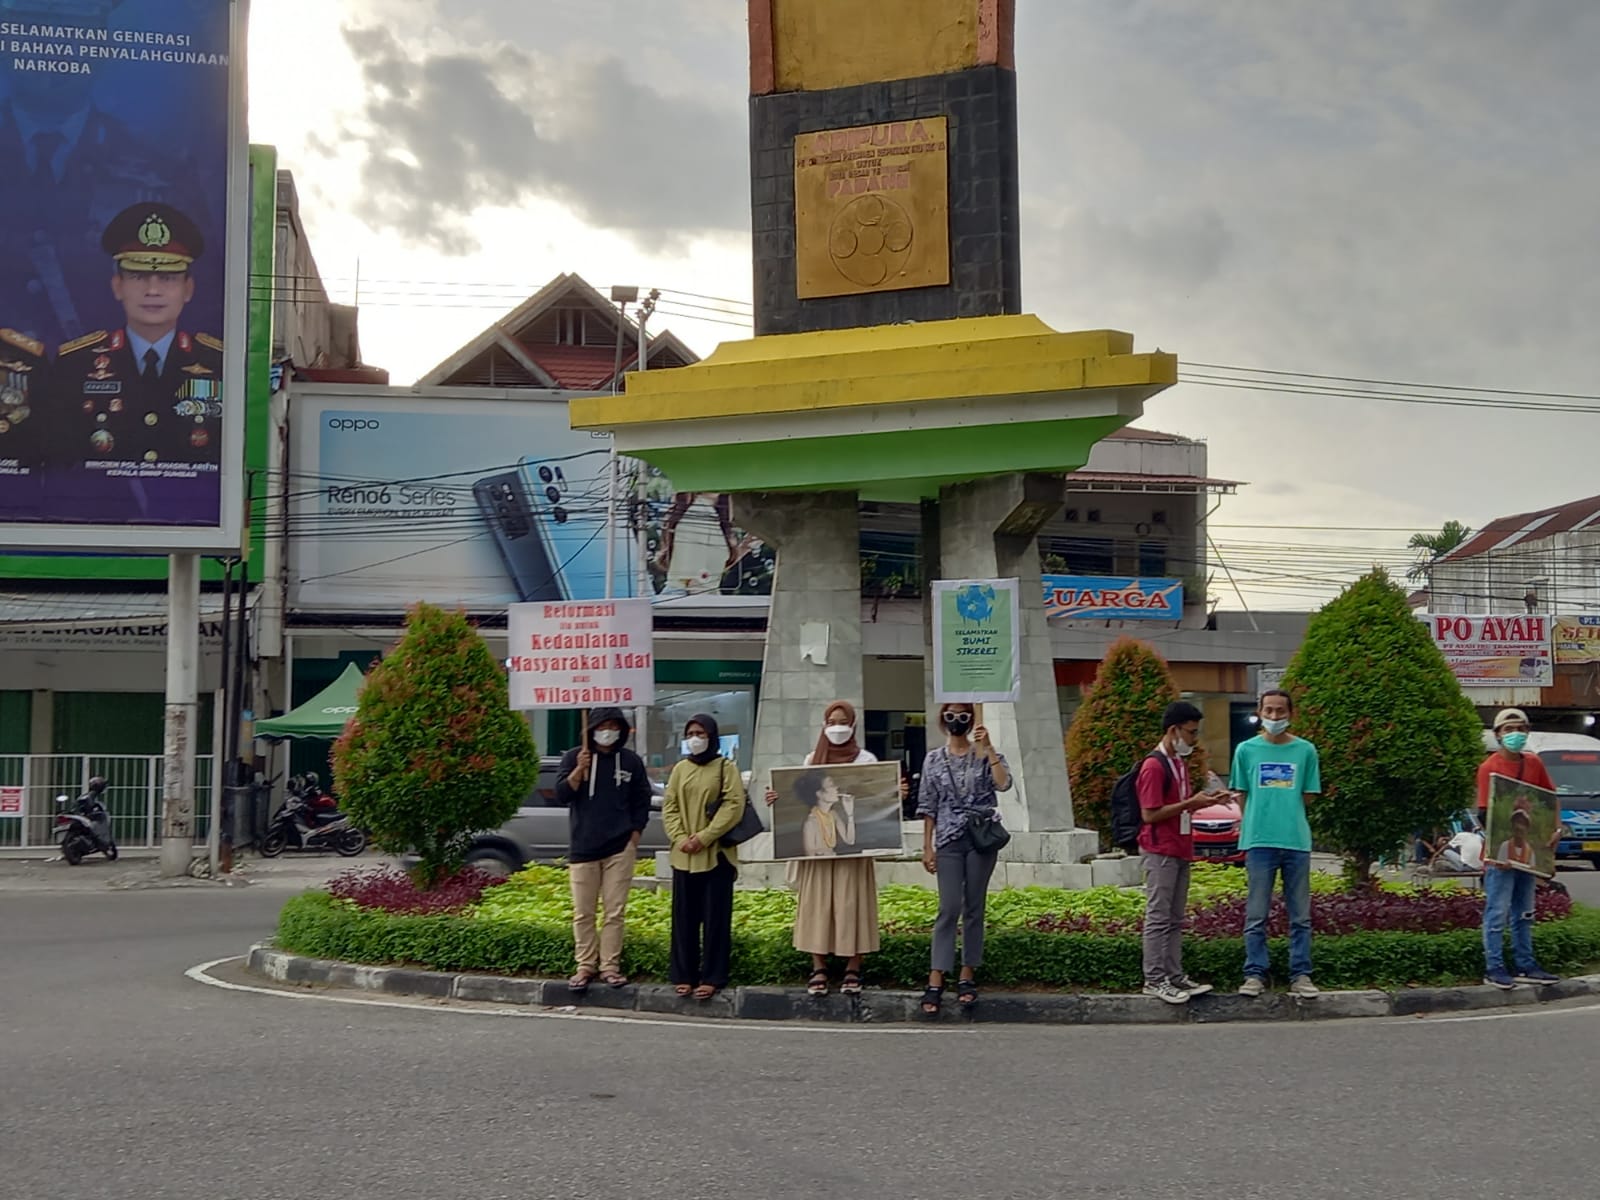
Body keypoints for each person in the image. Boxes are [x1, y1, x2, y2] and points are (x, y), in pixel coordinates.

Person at [46, 202, 224, 522]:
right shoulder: (75, 365)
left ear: (188, 289)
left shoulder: (219, 365)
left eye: (168, 278)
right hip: (92, 531)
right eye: (139, 276)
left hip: (192, 530)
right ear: (118, 286)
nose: (153, 290)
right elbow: (57, 462)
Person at [763, 701, 905, 997]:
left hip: (852, 851)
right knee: (817, 905)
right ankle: (819, 967)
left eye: (842, 721)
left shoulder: (866, 760)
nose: (837, 727)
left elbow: (875, 800)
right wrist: (778, 798)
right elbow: (797, 796)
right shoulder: (812, 759)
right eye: (831, 721)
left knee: (852, 904)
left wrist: (895, 793)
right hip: (818, 850)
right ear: (823, 726)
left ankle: (853, 967)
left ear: (853, 725)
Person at [915, 702, 1011, 1014]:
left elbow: (1003, 783)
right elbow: (927, 804)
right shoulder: (933, 759)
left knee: (974, 906)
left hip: (980, 838)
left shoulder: (984, 753)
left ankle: (968, 972)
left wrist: (989, 748)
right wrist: (927, 846)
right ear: (943, 719)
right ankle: (936, 974)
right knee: (949, 906)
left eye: (963, 715)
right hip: (948, 839)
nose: (958, 720)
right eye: (952, 714)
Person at [554, 708, 653, 993]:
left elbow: (642, 799)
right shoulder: (575, 756)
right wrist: (578, 770)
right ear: (592, 728)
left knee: (614, 911)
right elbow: (562, 794)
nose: (608, 731)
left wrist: (635, 835)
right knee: (583, 912)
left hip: (619, 848)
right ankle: (585, 965)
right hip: (583, 847)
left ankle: (610, 966)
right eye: (603, 726)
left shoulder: (631, 761)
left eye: (614, 726)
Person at [1231, 689, 1322, 997]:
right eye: (1268, 710)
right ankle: (1255, 973)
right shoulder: (1245, 750)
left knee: (1301, 916)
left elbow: (1308, 794)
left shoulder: (1306, 751)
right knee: (1256, 914)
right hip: (1259, 841)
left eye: (1280, 711)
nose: (1273, 717)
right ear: (1259, 712)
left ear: (1290, 714)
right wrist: (1258, 820)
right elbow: (1241, 792)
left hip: (1296, 840)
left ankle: (1301, 974)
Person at [1138, 701, 1228, 1004]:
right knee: (1159, 917)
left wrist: (1206, 799)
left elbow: (1180, 803)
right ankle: (1154, 979)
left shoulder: (1177, 762)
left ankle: (1175, 976)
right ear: (1173, 730)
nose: (1194, 739)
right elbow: (1150, 814)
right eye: (1190, 733)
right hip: (1160, 848)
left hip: (1179, 846)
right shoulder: (1153, 765)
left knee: (1175, 918)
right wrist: (1191, 805)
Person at [662, 713, 747, 1001]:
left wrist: (705, 837)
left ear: (712, 737)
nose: (695, 738)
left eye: (700, 733)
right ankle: (683, 975)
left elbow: (733, 806)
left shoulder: (726, 767)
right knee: (684, 918)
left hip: (716, 855)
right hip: (683, 855)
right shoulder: (679, 769)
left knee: (715, 919)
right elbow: (670, 806)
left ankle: (712, 977)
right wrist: (681, 838)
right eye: (690, 733)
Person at [1476, 708, 1554, 827]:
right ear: (1498, 734)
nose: (1515, 733)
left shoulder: (1534, 762)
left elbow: (1550, 798)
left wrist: (1556, 828)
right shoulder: (1488, 767)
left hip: (1532, 835)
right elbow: (1485, 813)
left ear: (1527, 733)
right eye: (1508, 729)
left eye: (1520, 729)